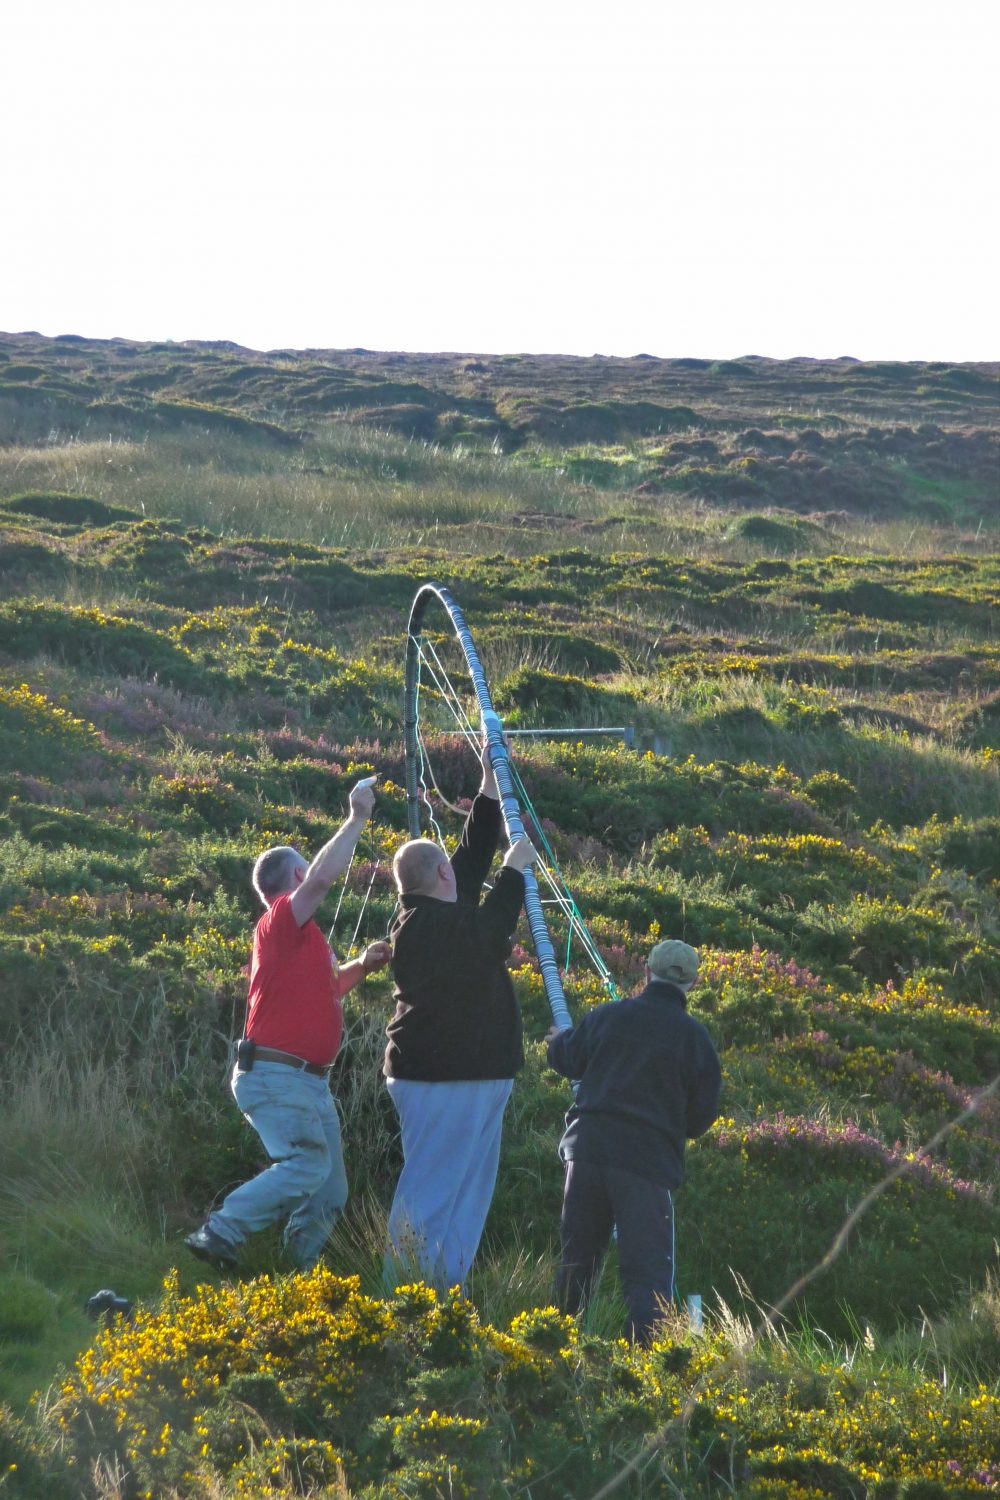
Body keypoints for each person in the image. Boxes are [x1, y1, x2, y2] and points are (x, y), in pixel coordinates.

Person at [185, 778, 390, 1272]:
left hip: (307, 1082)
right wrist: (357, 817)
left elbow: (326, 991)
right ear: (297, 874)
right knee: (307, 1164)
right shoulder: (280, 920)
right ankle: (221, 1230)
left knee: (330, 1189)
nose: (312, 876)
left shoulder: (302, 939)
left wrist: (361, 965)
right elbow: (321, 882)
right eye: (307, 869)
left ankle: (293, 1275)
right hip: (278, 1076)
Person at [383, 740, 536, 1291]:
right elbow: (490, 935)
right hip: (445, 1078)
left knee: (466, 1195)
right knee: (430, 1193)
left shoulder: (435, 906)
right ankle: (401, 1299)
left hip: (469, 1075)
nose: (457, 869)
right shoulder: (424, 929)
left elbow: (472, 852)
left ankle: (442, 1297)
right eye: (449, 869)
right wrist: (516, 871)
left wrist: (493, 778)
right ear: (439, 879)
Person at [546, 938, 721, 1343]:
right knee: (648, 1276)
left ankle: (552, 1351)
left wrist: (557, 1041)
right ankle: (642, 1373)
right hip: (646, 1166)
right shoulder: (696, 1041)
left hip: (586, 1152)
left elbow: (567, 1057)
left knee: (576, 1265)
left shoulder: (609, 1016)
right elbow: (699, 1120)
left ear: (646, 971)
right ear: (692, 984)